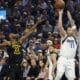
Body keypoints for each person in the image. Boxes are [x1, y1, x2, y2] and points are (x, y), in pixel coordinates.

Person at [55, 9, 78, 80]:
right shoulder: (64, 36)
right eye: (68, 30)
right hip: (63, 59)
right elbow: (60, 27)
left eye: (71, 30)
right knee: (59, 74)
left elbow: (73, 24)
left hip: (71, 60)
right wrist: (60, 14)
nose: (70, 31)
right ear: (67, 31)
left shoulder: (76, 38)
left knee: (72, 78)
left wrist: (70, 17)